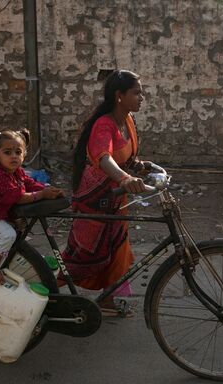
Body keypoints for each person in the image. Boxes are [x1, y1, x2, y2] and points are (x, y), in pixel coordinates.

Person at [61, 69, 156, 317]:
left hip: (114, 196)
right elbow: (104, 158)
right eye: (137, 93)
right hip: (95, 198)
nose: (142, 97)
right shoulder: (104, 125)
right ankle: (41, 286)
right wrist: (125, 178)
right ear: (119, 96)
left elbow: (124, 157)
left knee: (117, 249)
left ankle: (108, 300)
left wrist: (138, 167)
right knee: (86, 253)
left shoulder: (127, 122)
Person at [0, 128, 64, 284]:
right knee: (9, 235)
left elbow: (29, 184)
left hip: (2, 212)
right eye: (7, 152)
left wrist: (46, 189)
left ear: (24, 154)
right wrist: (42, 195)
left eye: (18, 152)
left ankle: (13, 262)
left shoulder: (16, 171)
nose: (13, 156)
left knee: (21, 231)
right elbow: (19, 198)